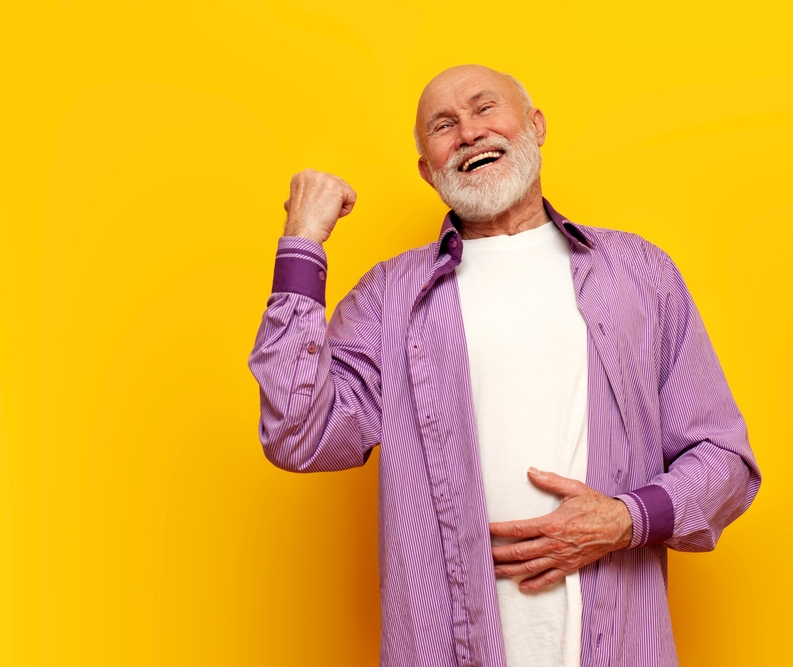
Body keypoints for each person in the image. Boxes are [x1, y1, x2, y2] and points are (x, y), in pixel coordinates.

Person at [249, 64, 760, 667]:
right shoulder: (389, 298)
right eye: (443, 125)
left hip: (618, 644)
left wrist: (626, 518)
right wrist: (302, 243)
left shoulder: (638, 274)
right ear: (427, 169)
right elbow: (298, 437)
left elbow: (724, 458)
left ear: (536, 126)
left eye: (485, 107)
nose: (468, 132)